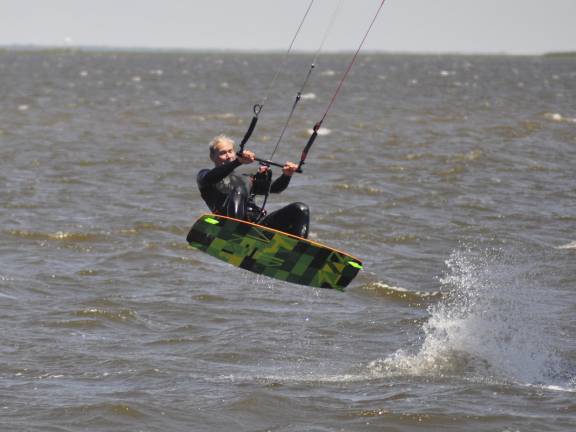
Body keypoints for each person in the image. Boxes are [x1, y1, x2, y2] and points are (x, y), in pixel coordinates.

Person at [197, 134, 310, 238]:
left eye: (230, 151)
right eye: (222, 153)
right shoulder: (205, 175)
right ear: (212, 157)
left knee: (301, 209)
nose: (228, 156)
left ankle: (299, 248)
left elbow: (274, 188)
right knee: (241, 186)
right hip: (228, 226)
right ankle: (234, 231)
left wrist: (286, 176)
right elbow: (211, 177)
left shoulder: (246, 179)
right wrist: (238, 162)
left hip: (258, 226)